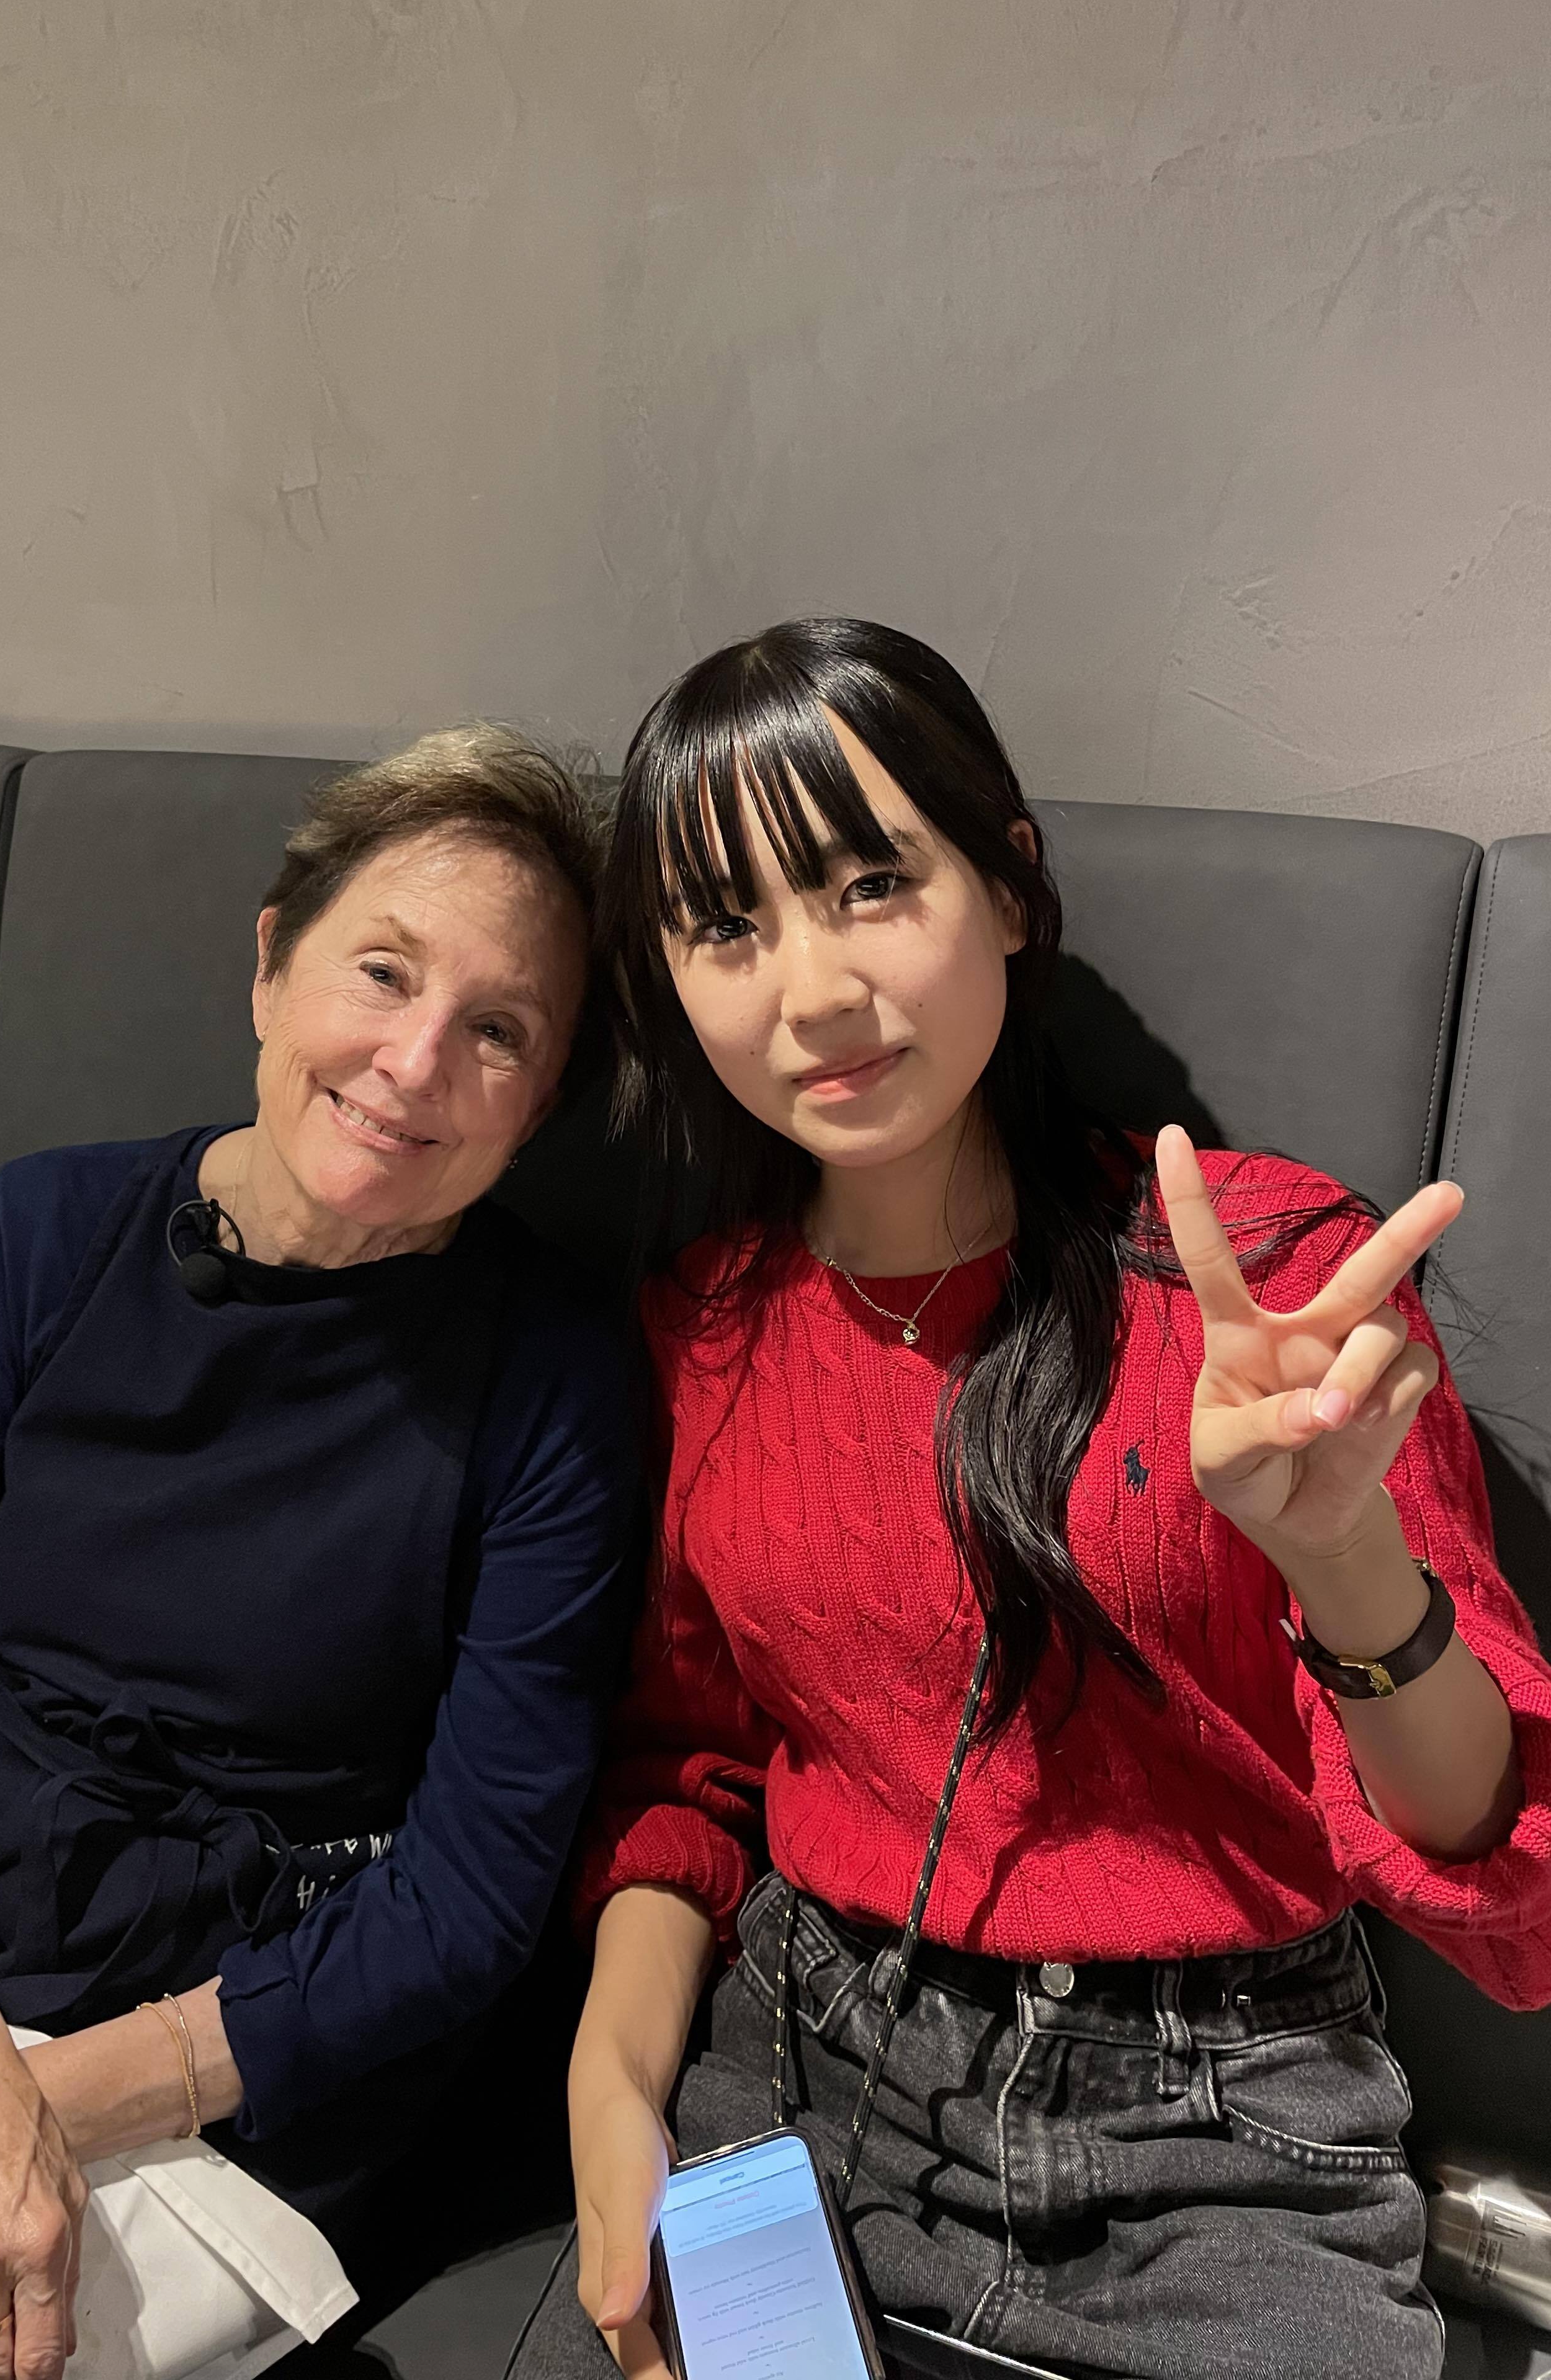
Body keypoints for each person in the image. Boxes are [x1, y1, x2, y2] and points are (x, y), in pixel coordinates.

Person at [511, 621, 1551, 2380]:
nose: (810, 993)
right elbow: (686, 1776)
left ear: (1006, 888)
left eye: (870, 885)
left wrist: (1339, 1548)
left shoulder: (1269, 1284)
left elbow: (1488, 1850)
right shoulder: (703, 1332)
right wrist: (612, 2080)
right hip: (803, 2057)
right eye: (726, 927)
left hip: (1229, 2133)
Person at [0, 728, 640, 2380]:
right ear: (271, 965)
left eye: (499, 1031)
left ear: (541, 1102)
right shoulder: (39, 1237)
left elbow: (466, 1903)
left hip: (250, 2066)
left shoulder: (557, 1379)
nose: (415, 1062)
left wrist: (17, 2110)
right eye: (383, 973)